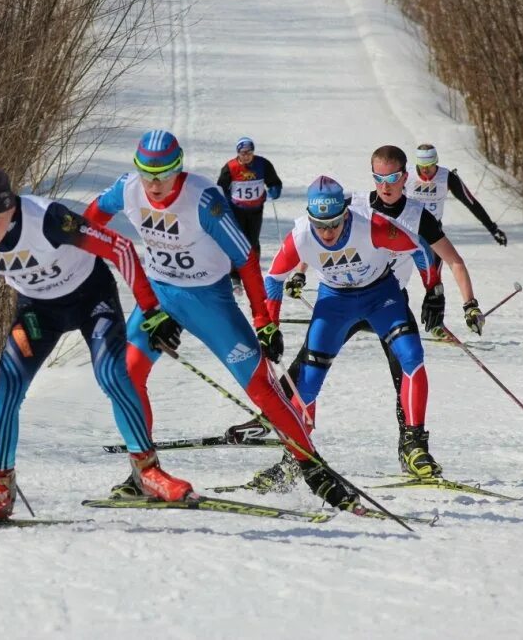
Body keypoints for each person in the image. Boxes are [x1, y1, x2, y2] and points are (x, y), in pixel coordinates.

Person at [0, 165, 193, 521]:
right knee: (8, 386)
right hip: (37, 311)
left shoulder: (48, 219)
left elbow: (120, 249)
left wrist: (150, 309)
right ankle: (0, 488)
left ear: (13, 207)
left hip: (91, 299)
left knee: (112, 375)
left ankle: (148, 473)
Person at [83, 129, 359, 510]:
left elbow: (245, 257)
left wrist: (263, 320)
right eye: (147, 175)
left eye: (163, 175)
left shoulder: (203, 200)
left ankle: (313, 470)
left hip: (209, 300)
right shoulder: (128, 189)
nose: (155, 185)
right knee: (125, 377)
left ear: (178, 169)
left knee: (261, 386)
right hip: (159, 297)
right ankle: (143, 472)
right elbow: (91, 219)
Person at [258, 174, 486, 483]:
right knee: (307, 382)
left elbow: (419, 248)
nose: (326, 233)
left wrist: (434, 289)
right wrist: (269, 326)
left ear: (346, 214)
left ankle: (413, 446)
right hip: (334, 302)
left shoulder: (373, 226)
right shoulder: (300, 236)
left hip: (381, 296)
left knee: (411, 356)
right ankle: (296, 458)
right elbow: (273, 277)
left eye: (334, 224)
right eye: (320, 225)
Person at [216, 137, 284, 294]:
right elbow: (220, 188)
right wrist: (224, 202)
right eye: (243, 153)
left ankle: (251, 274)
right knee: (237, 241)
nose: (246, 156)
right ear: (238, 153)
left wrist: (275, 189)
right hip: (236, 210)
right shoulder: (230, 167)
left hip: (255, 211)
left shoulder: (262, 164)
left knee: (252, 242)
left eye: (249, 152)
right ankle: (234, 276)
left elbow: (274, 181)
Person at [409, 144, 507, 246]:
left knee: (446, 261)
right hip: (406, 228)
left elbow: (471, 203)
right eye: (421, 166)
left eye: (429, 165)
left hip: (432, 230)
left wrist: (493, 229)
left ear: (435, 162)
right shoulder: (407, 175)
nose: (425, 170)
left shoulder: (448, 177)